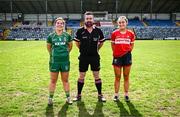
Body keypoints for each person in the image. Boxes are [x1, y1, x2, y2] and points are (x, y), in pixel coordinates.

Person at [73, 12, 106, 102]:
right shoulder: (80, 31)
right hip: (83, 57)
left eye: (90, 18)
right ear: (85, 19)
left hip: (95, 57)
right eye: (87, 19)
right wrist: (82, 49)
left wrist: (97, 49)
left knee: (96, 76)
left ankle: (100, 95)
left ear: (93, 20)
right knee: (81, 76)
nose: (89, 20)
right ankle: (78, 95)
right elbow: (77, 42)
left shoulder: (98, 31)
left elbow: (102, 42)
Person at [47, 17, 73, 105]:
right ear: (55, 24)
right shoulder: (51, 36)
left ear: (63, 25)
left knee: (65, 80)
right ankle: (50, 98)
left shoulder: (67, 36)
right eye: (58, 23)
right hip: (54, 62)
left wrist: (65, 54)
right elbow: (49, 48)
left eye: (61, 23)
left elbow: (70, 47)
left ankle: (68, 98)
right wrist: (55, 55)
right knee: (53, 80)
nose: (59, 24)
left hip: (65, 61)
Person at [111, 16, 135, 102]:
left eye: (123, 22)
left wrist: (127, 52)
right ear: (117, 23)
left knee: (126, 76)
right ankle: (116, 94)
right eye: (120, 22)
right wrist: (117, 53)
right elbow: (113, 45)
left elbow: (132, 45)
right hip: (117, 57)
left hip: (127, 56)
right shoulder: (114, 33)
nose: (121, 24)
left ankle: (126, 94)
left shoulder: (131, 33)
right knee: (117, 77)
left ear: (126, 23)